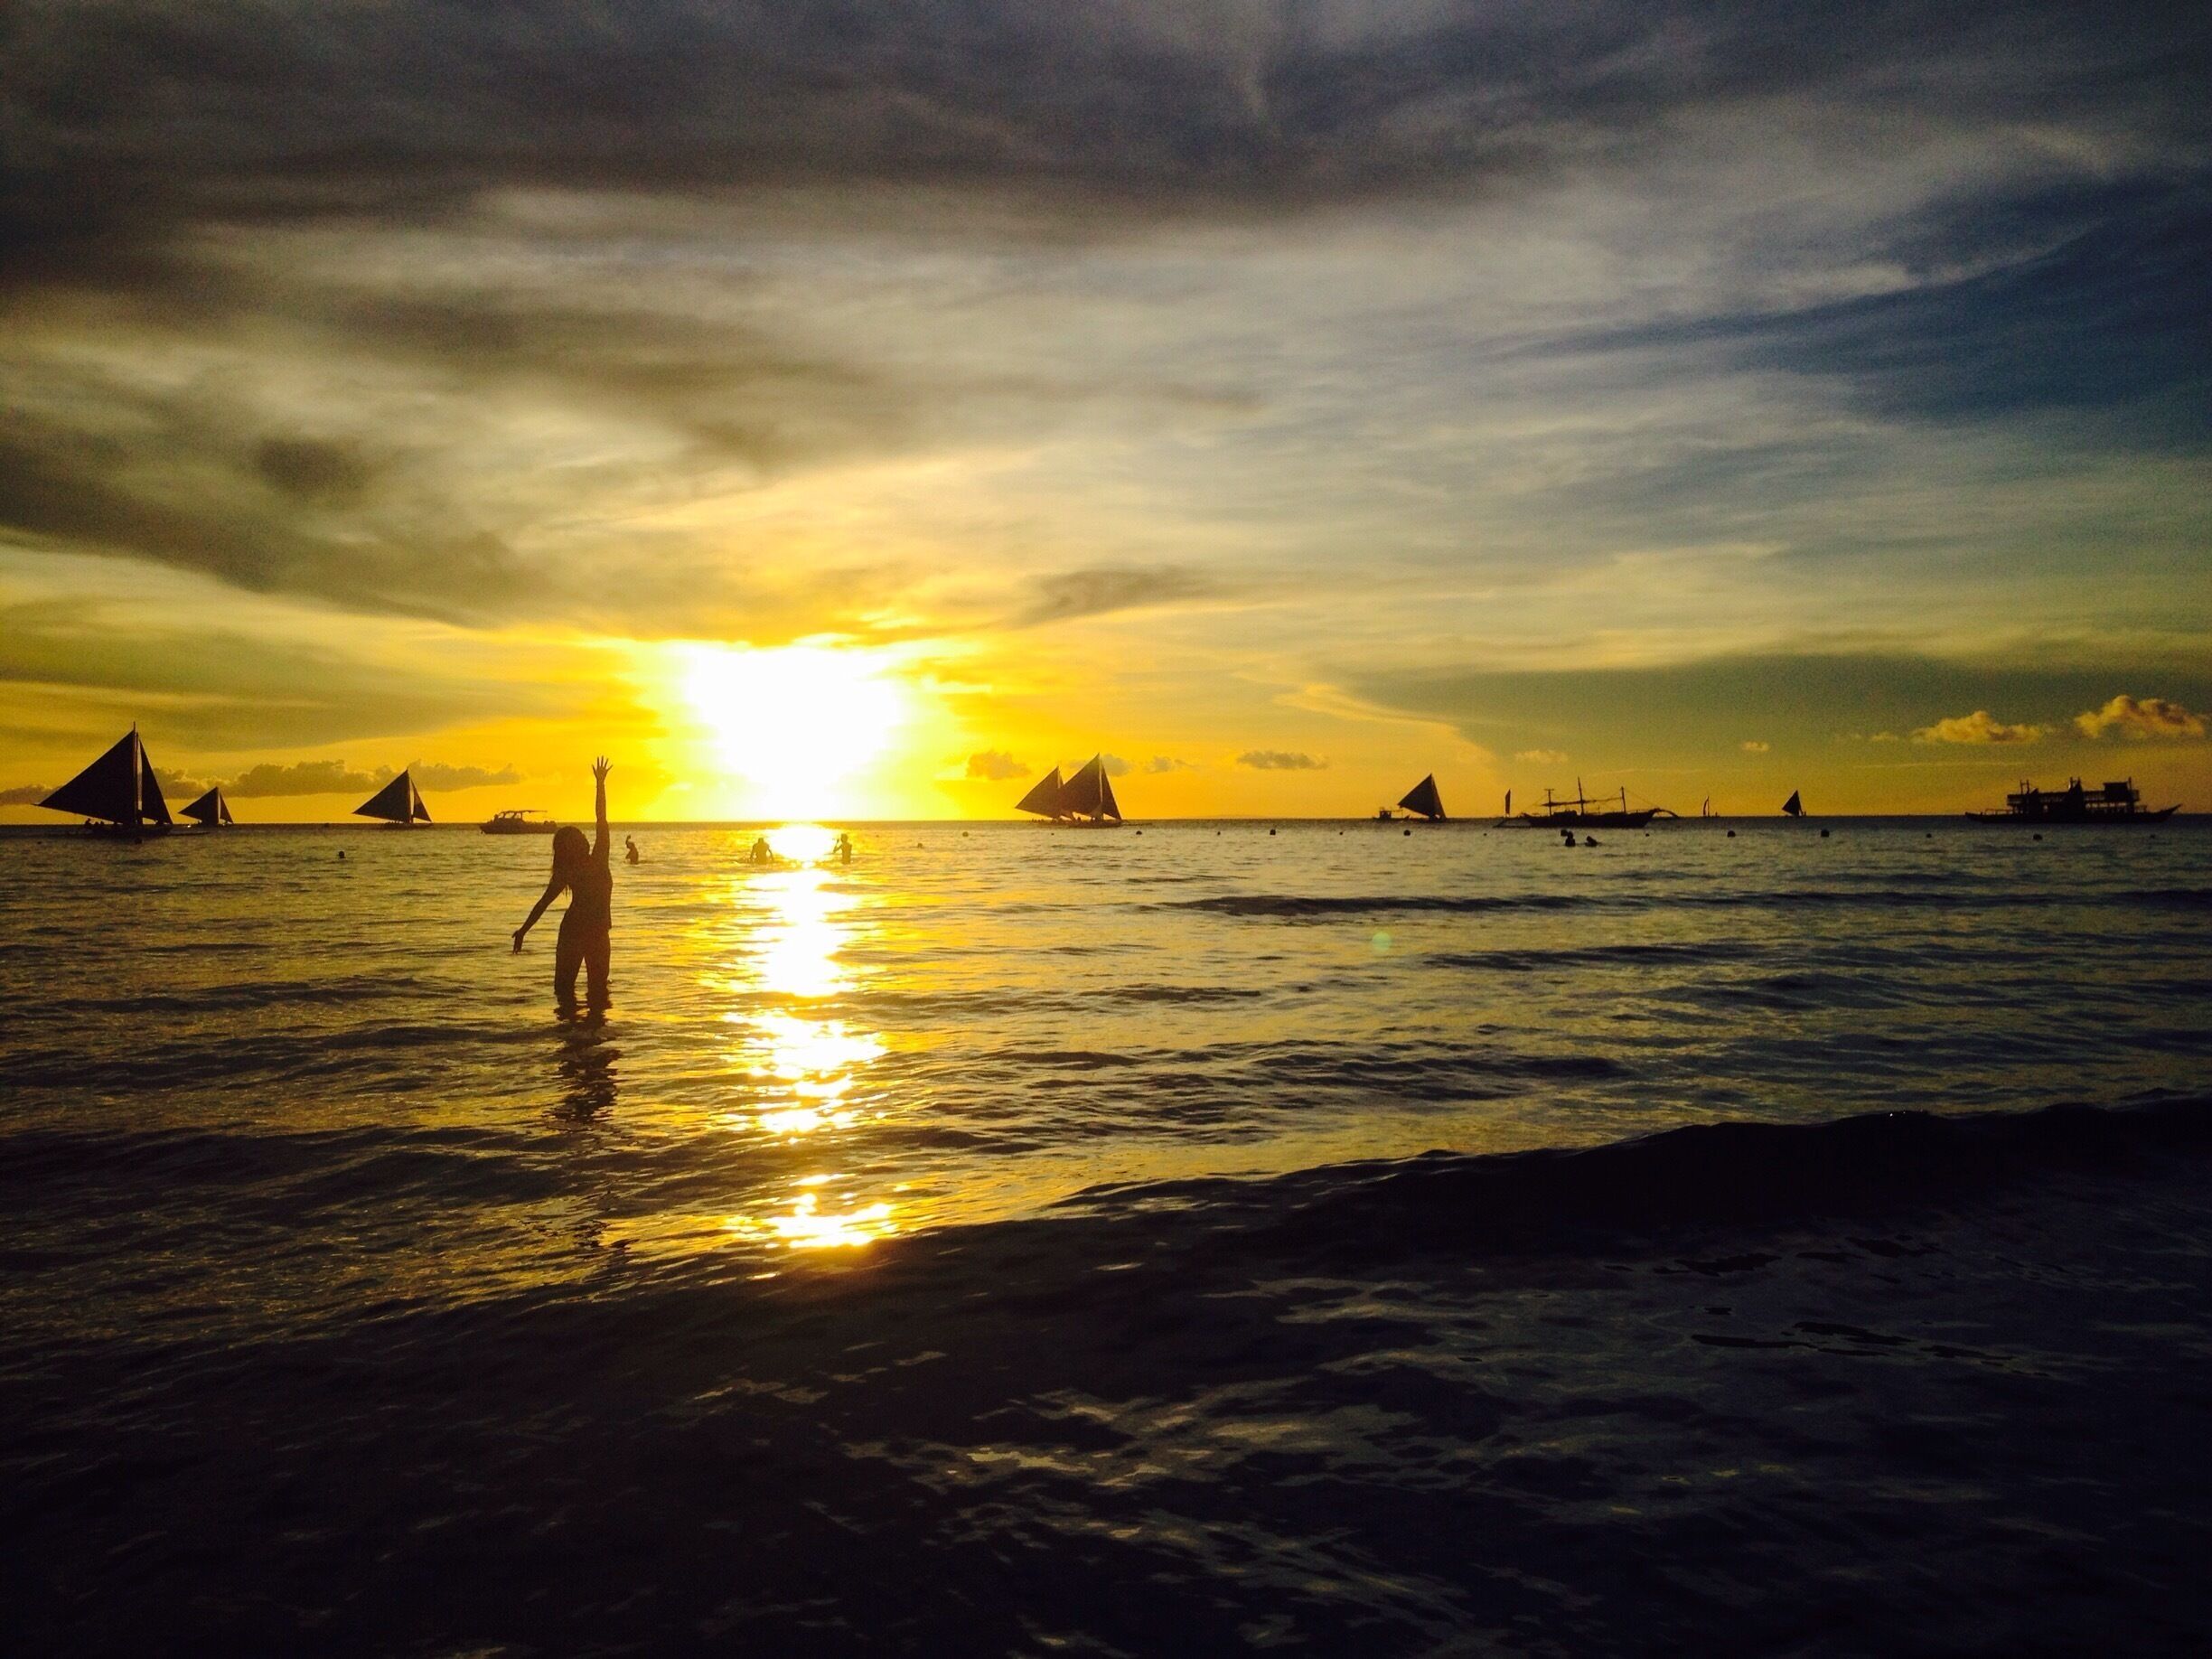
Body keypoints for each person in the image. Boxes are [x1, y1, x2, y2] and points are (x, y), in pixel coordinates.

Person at [513, 756, 614, 1012]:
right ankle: (569, 1045)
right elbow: (543, 903)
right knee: (564, 991)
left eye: (582, 835)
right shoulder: (569, 871)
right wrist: (524, 930)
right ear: (572, 848)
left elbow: (601, 820)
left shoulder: (600, 857)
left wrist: (600, 784)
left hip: (599, 934)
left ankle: (592, 1046)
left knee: (599, 995)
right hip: (573, 933)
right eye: (579, 838)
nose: (585, 838)